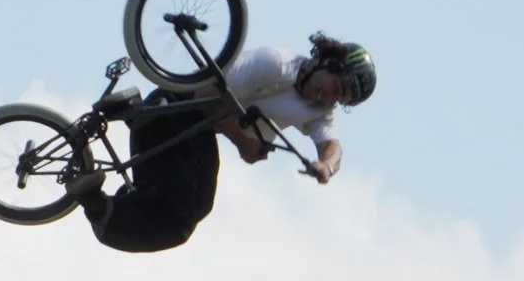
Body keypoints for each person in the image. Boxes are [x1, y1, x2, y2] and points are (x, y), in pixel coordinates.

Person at [77, 34, 376, 254]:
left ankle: (96, 200)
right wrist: (243, 141)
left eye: (339, 99)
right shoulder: (274, 64)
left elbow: (332, 145)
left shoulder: (318, 111)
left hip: (190, 134)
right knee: (192, 208)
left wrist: (326, 166)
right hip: (174, 110)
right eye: (336, 88)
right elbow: (205, 96)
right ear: (329, 62)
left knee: (179, 216)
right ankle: (136, 115)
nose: (326, 99)